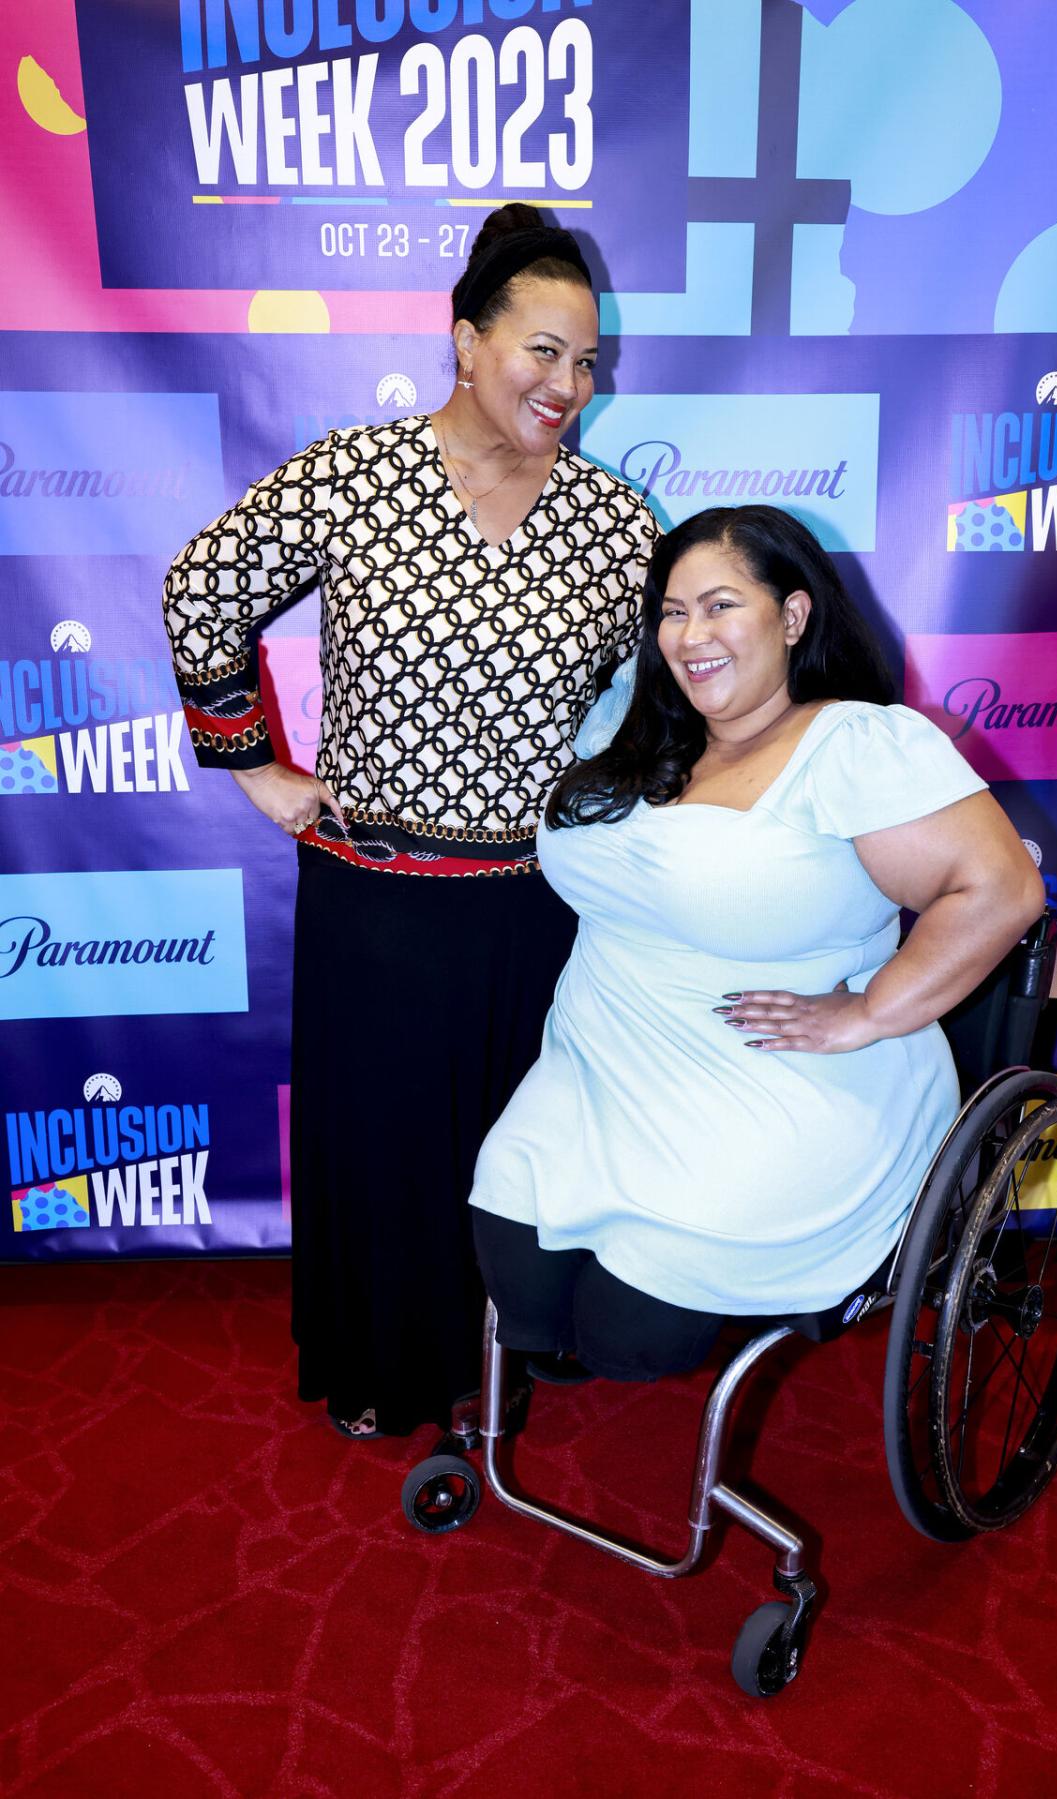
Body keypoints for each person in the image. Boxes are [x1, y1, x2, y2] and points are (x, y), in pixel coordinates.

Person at [162, 204, 658, 1437]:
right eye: (544, 350)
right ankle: (386, 1366)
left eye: (588, 362)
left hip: (537, 907)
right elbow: (200, 591)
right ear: (465, 343)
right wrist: (254, 765)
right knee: (387, 1152)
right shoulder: (356, 476)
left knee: (516, 1150)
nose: (569, 384)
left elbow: (672, 703)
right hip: (376, 896)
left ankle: (507, 1354)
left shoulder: (617, 526)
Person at [469, 506, 1047, 1377]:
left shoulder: (849, 745)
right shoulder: (637, 723)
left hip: (781, 1083)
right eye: (671, 610)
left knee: (627, 1339)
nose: (689, 634)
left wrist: (869, 1010)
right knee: (527, 1295)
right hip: (599, 1065)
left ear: (794, 615)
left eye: (720, 605)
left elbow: (1002, 888)